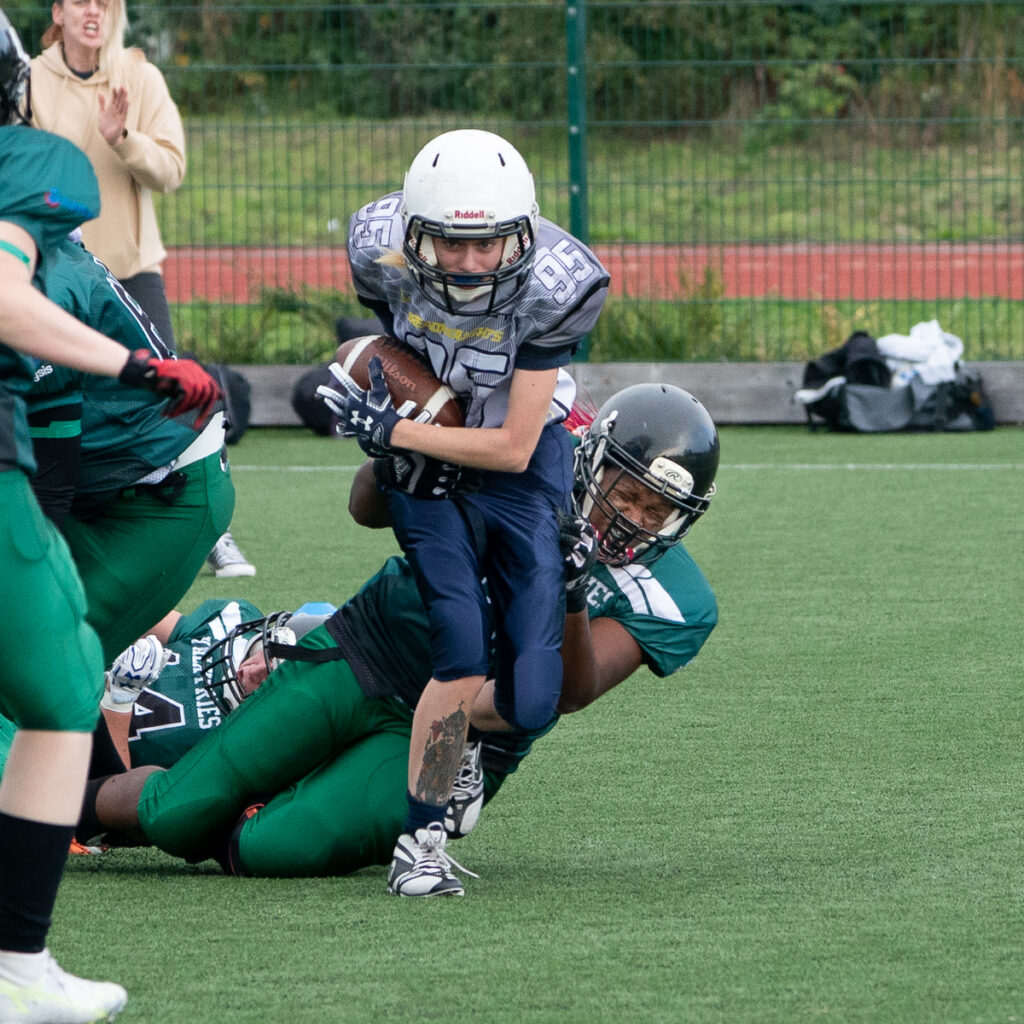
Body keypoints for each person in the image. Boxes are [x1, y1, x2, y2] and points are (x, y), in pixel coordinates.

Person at [77, 384, 719, 890]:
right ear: (594, 460)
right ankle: (56, 816)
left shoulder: (674, 596)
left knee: (270, 847)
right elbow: (366, 508)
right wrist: (402, 448)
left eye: (654, 511)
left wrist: (571, 590)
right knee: (176, 813)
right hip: (373, 646)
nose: (630, 519)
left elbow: (567, 693)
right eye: (626, 493)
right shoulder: (525, 460)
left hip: (465, 734)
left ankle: (270, 802)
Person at [319, 128, 610, 895]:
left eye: (489, 245)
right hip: (424, 457)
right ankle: (421, 840)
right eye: (451, 244)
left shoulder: (558, 284)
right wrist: (398, 415)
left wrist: (396, 430)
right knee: (459, 645)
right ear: (415, 234)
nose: (473, 262)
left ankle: (462, 741)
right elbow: (386, 341)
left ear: (525, 232)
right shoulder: (375, 247)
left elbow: (515, 446)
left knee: (534, 696)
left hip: (517, 455)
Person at [0, 10, 219, 1019]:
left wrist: (129, 365)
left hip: (148, 494)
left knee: (46, 678)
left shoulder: (27, 206)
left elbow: (57, 434)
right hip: (73, 468)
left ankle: (18, 947)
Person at [30, 0, 256, 582]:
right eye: (81, 0)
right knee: (60, 407)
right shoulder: (29, 80)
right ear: (59, 10)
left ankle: (215, 533)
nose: (94, 11)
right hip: (52, 274)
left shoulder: (140, 76)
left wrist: (123, 137)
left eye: (106, 2)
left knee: (167, 399)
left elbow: (171, 171)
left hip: (128, 270)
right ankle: (68, 528)